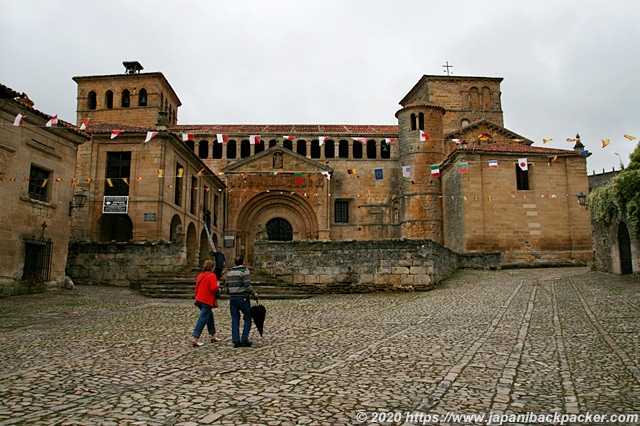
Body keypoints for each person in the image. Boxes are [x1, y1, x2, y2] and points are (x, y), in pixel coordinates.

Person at [225, 255, 258, 348]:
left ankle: (236, 340)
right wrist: (253, 293)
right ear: (243, 261)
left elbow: (226, 286)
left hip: (233, 297)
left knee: (235, 319)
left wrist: (230, 292)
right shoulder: (244, 271)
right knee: (247, 317)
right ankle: (244, 338)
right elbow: (247, 285)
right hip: (242, 297)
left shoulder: (230, 272)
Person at [190, 259, 221, 347]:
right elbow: (213, 288)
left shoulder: (200, 275)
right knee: (203, 318)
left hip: (199, 299)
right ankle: (195, 337)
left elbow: (196, 288)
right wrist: (217, 285)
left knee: (209, 317)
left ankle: (213, 335)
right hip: (206, 300)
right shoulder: (212, 276)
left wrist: (196, 298)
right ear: (212, 267)